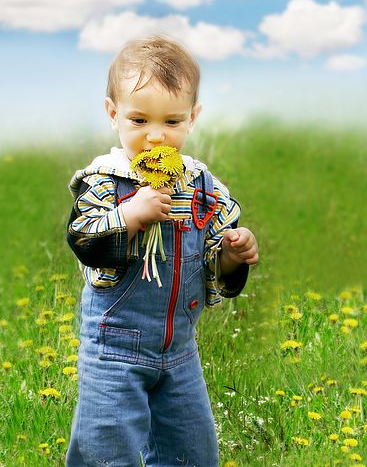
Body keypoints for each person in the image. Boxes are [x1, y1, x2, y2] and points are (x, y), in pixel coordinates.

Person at [65, 35, 258, 467]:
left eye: (171, 122)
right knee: (105, 450)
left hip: (179, 351)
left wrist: (232, 253)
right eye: (139, 121)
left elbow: (213, 257)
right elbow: (84, 240)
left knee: (192, 453)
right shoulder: (106, 182)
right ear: (113, 114)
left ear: (193, 118)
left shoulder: (202, 187)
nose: (156, 137)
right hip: (114, 346)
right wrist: (131, 213)